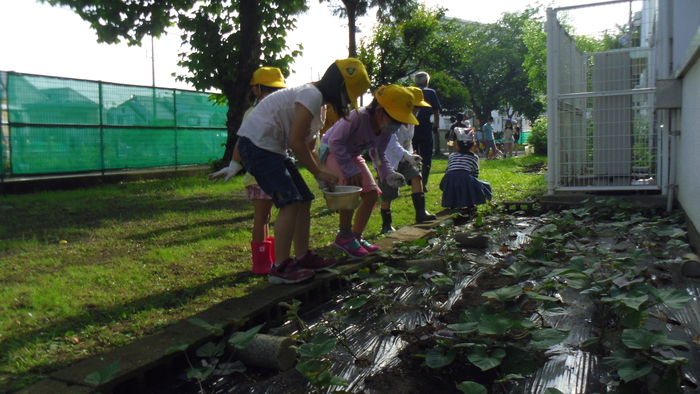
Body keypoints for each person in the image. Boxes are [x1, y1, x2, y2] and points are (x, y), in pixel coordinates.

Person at [236, 58, 371, 284]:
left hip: (272, 148)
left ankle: (302, 256)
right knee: (289, 202)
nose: (349, 101)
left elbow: (307, 145)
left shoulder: (319, 104)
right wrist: (319, 173)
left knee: (304, 199)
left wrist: (320, 175)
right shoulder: (312, 94)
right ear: (339, 88)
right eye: (349, 94)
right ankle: (280, 267)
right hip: (257, 146)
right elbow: (296, 142)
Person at [207, 67, 288, 275]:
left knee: (268, 216)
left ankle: (268, 258)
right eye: (268, 89)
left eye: (277, 90)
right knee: (261, 217)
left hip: (276, 172)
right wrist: (234, 165)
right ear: (256, 90)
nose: (273, 94)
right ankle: (260, 263)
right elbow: (242, 141)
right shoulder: (253, 113)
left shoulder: (280, 112)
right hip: (258, 175)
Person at [321, 85, 418, 258]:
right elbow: (336, 142)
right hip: (332, 152)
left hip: (353, 155)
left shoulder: (385, 129)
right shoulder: (357, 117)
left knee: (372, 194)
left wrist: (387, 173)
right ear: (379, 111)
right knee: (351, 190)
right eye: (395, 119)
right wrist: (350, 171)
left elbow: (378, 153)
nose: (396, 125)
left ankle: (355, 237)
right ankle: (343, 236)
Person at [372, 86, 436, 234]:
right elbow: (391, 143)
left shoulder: (411, 122)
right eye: (414, 108)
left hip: (404, 157)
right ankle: (386, 225)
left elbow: (408, 141)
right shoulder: (393, 119)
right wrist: (406, 156)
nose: (416, 111)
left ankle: (421, 213)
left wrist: (410, 155)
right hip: (387, 160)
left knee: (416, 177)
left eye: (418, 109)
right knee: (388, 191)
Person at [440, 128, 493, 215]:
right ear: (473, 146)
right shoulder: (473, 157)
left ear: (457, 145)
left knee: (457, 183)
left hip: (449, 178)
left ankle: (452, 202)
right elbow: (475, 173)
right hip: (465, 178)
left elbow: (448, 170)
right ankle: (470, 203)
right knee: (485, 185)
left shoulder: (452, 155)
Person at [411, 72, 441, 191]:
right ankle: (423, 182)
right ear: (426, 82)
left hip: (411, 125)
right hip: (425, 125)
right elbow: (436, 111)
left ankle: (412, 178)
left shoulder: (410, 91)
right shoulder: (430, 92)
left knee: (411, 152)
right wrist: (437, 126)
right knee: (426, 154)